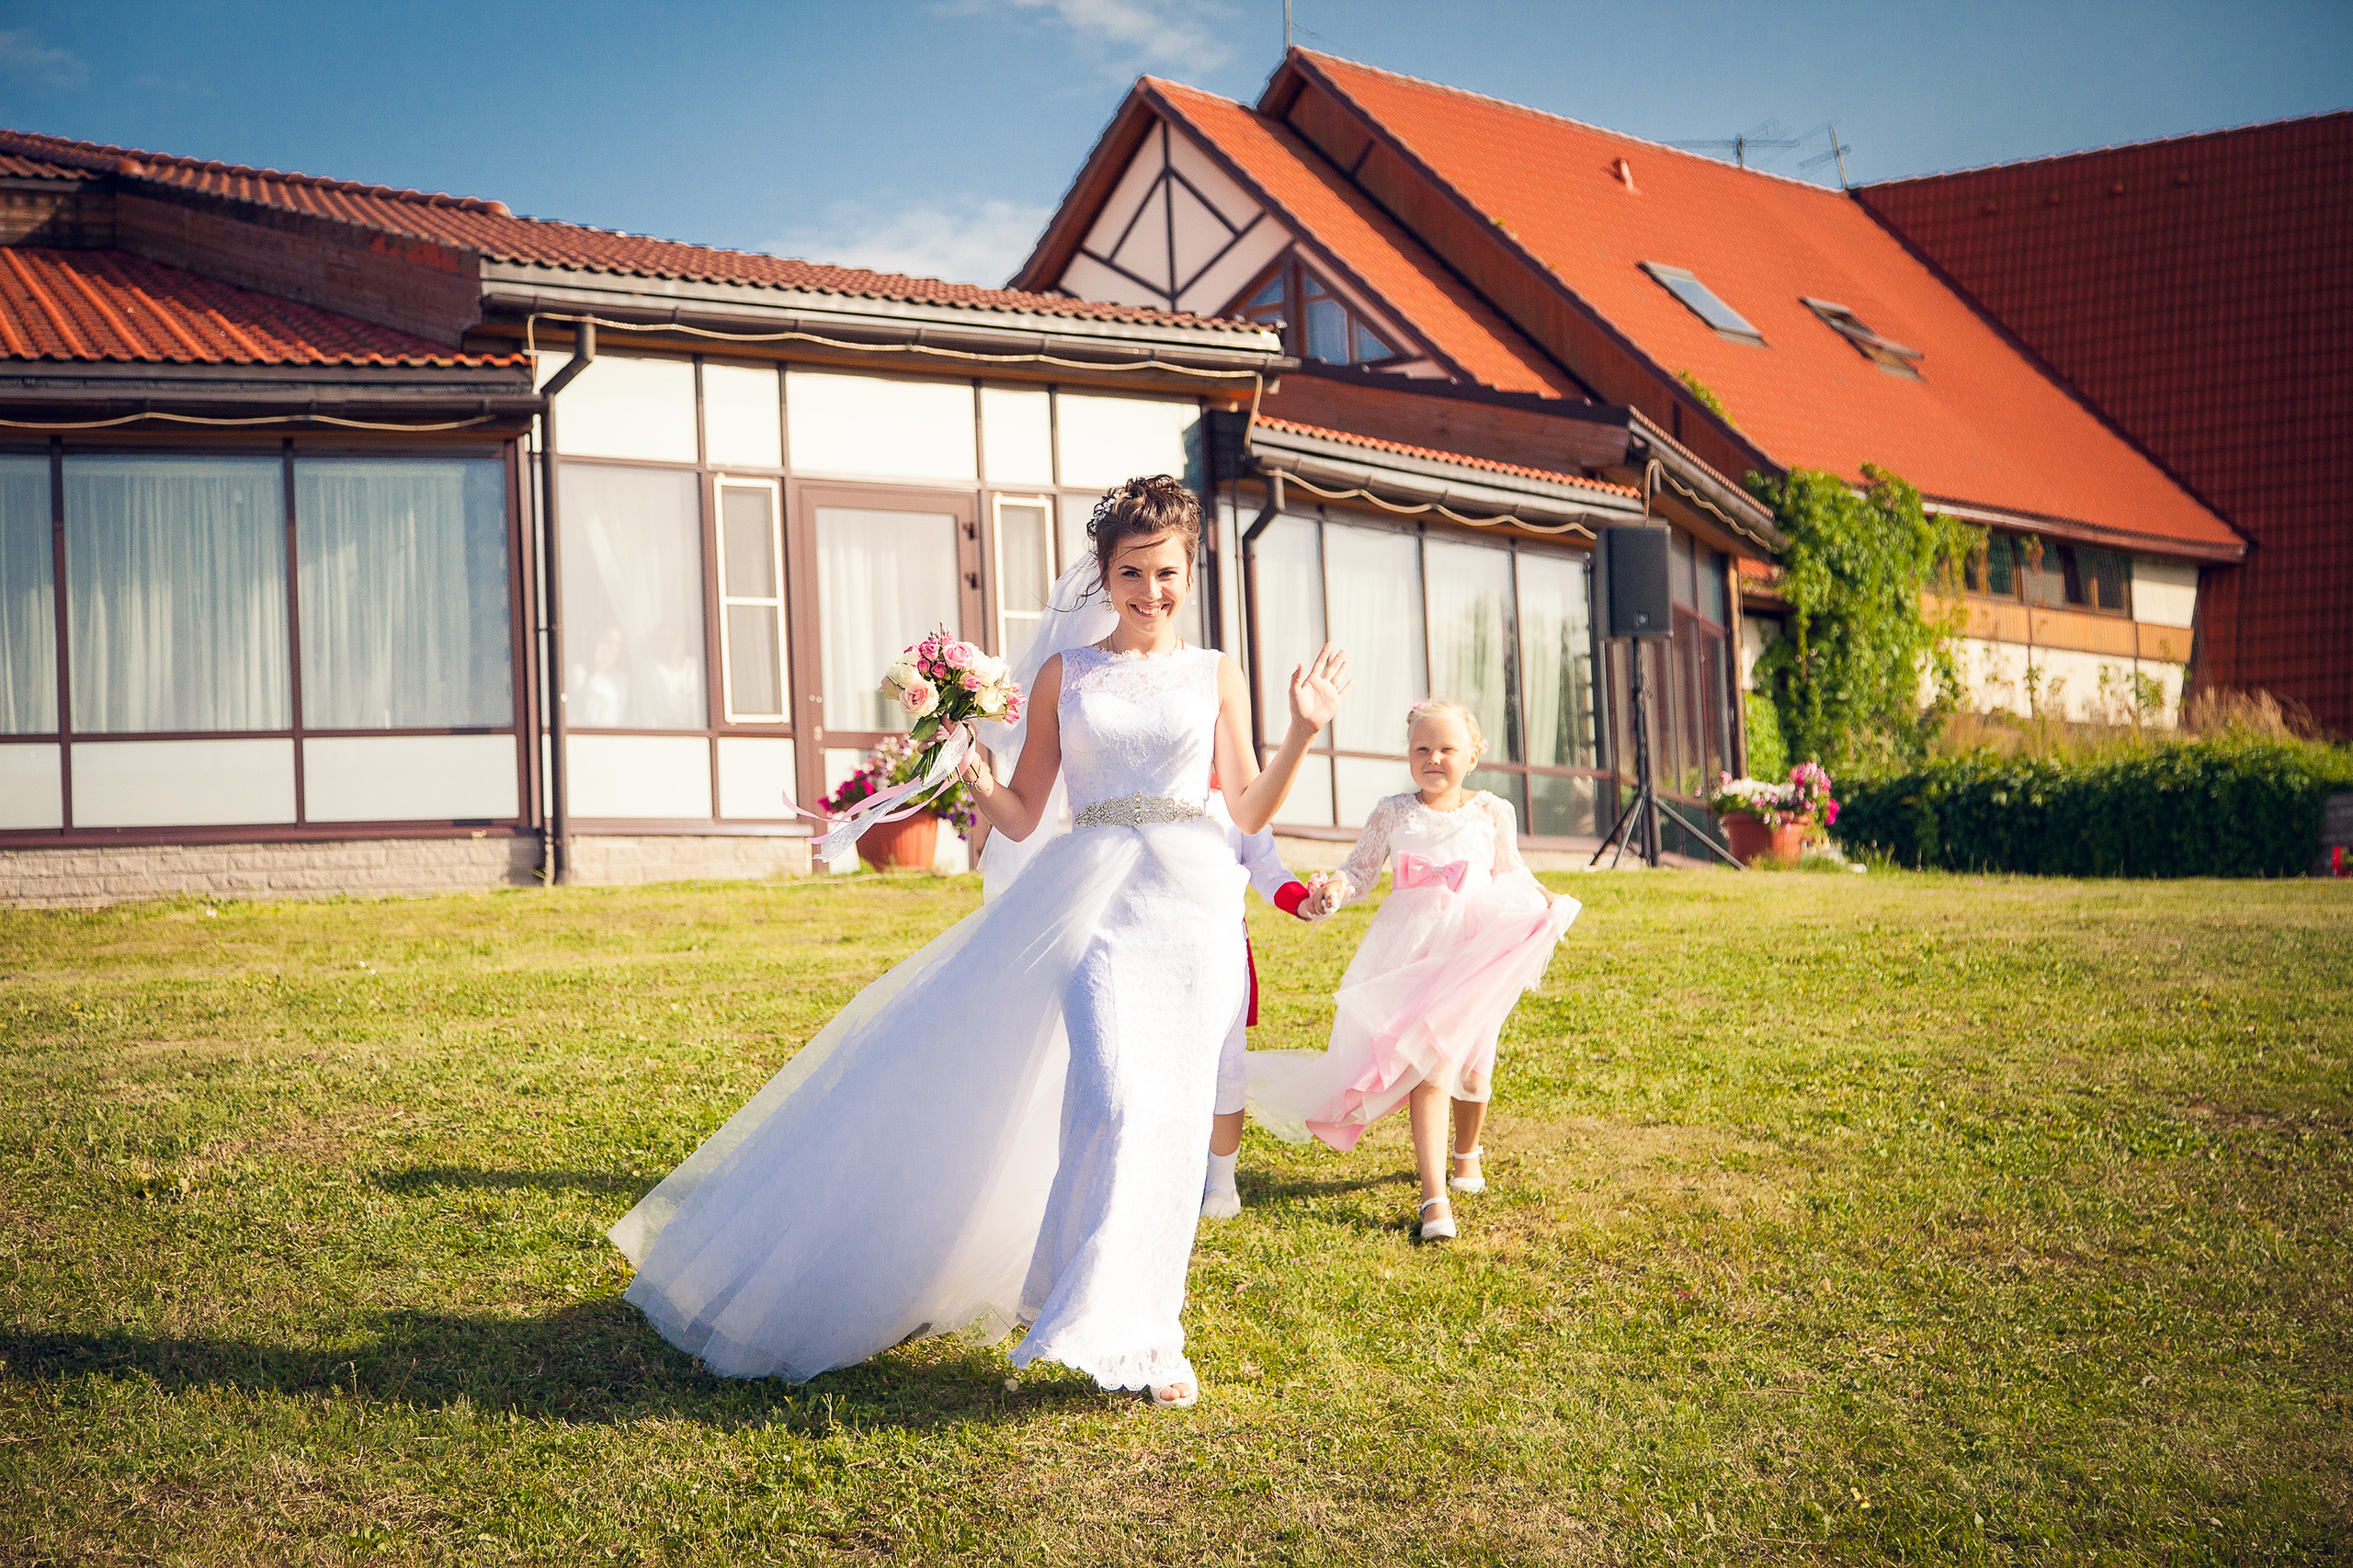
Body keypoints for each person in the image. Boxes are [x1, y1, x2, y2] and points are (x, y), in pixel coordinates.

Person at [608, 474, 1349, 1413]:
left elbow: (1244, 806)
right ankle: (1075, 1296)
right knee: (1112, 1100)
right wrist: (965, 768)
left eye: (1166, 572)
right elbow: (1024, 808)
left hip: (1190, 909)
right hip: (1095, 904)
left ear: (1188, 570)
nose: (1149, 590)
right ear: (1105, 573)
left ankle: (1145, 1329)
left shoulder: (1214, 673)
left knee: (1167, 1122)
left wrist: (1302, 733)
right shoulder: (1064, 676)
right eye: (1131, 571)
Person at [1245, 699, 1578, 1243]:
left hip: (1473, 949)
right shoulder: (1393, 811)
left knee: (1474, 1062)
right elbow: (1361, 870)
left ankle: (1467, 1150)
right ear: (1407, 755)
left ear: (1474, 754)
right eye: (1421, 748)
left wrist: (1548, 901)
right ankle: (1433, 1199)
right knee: (1431, 1065)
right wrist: (1335, 888)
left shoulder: (1493, 810)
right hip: (1410, 951)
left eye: (1447, 748)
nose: (1434, 758)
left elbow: (1511, 870)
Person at [1200, 777, 1314, 1221]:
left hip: (1220, 945)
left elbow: (1266, 868)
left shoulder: (1238, 795)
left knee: (1225, 1065)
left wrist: (1304, 901)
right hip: (1146, 936)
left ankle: (1221, 1183)